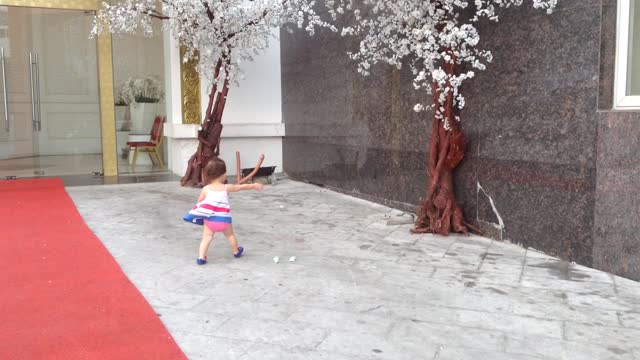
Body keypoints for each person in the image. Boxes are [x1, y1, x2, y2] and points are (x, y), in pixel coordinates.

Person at [183, 157, 263, 265]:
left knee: (206, 237)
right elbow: (240, 187)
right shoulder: (227, 187)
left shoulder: (206, 189)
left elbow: (200, 202)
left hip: (210, 220)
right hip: (224, 220)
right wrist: (253, 185)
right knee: (230, 236)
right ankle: (236, 251)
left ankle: (201, 257)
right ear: (222, 174)